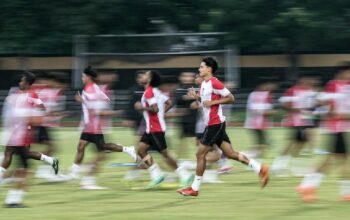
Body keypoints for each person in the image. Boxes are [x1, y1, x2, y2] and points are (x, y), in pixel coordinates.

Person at [177, 57, 269, 197]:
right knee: (231, 154)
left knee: (199, 154)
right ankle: (260, 168)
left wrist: (214, 102)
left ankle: (194, 189)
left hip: (215, 124)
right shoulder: (204, 84)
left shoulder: (214, 82)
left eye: (201, 67)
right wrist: (196, 97)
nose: (199, 69)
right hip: (213, 124)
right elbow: (205, 103)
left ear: (209, 69)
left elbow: (231, 98)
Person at [68, 66, 137, 189]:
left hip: (95, 126)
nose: (82, 78)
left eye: (83, 76)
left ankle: (127, 149)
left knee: (102, 149)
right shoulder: (91, 89)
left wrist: (116, 113)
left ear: (89, 77)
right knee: (81, 146)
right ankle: (74, 173)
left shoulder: (94, 90)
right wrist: (82, 100)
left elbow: (97, 112)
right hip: (89, 125)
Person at [0, 72, 55, 207]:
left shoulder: (24, 96)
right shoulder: (27, 96)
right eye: (20, 81)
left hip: (16, 134)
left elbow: (40, 110)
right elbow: (40, 111)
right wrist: (32, 117)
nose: (20, 83)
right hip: (20, 136)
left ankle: (12, 198)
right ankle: (13, 200)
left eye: (23, 81)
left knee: (12, 160)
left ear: (28, 83)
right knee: (24, 169)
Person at [296, 62, 350, 202]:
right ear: (342, 72)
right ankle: (308, 186)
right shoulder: (333, 85)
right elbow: (325, 105)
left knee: (335, 161)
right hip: (336, 128)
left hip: (341, 128)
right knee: (337, 161)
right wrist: (339, 114)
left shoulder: (346, 85)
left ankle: (307, 185)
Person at [134, 70, 193, 189]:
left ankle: (184, 174)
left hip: (155, 129)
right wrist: (161, 114)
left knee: (165, 155)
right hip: (152, 128)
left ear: (150, 79)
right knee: (141, 150)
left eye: (146, 75)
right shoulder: (156, 91)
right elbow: (169, 103)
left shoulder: (149, 92)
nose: (143, 76)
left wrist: (142, 108)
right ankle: (157, 175)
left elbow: (154, 109)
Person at [270, 75, 317, 175]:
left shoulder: (311, 91)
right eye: (308, 79)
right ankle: (277, 166)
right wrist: (295, 109)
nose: (311, 81)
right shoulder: (292, 90)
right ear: (302, 80)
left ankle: (286, 165)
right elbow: (283, 103)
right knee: (291, 144)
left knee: (301, 143)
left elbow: (313, 105)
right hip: (294, 121)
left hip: (306, 120)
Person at [244, 81, 276, 158]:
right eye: (268, 85)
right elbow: (254, 109)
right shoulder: (254, 95)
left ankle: (258, 154)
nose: (270, 87)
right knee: (261, 141)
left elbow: (267, 108)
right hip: (255, 122)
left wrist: (269, 112)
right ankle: (253, 154)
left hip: (261, 123)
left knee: (261, 140)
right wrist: (268, 112)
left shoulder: (268, 95)